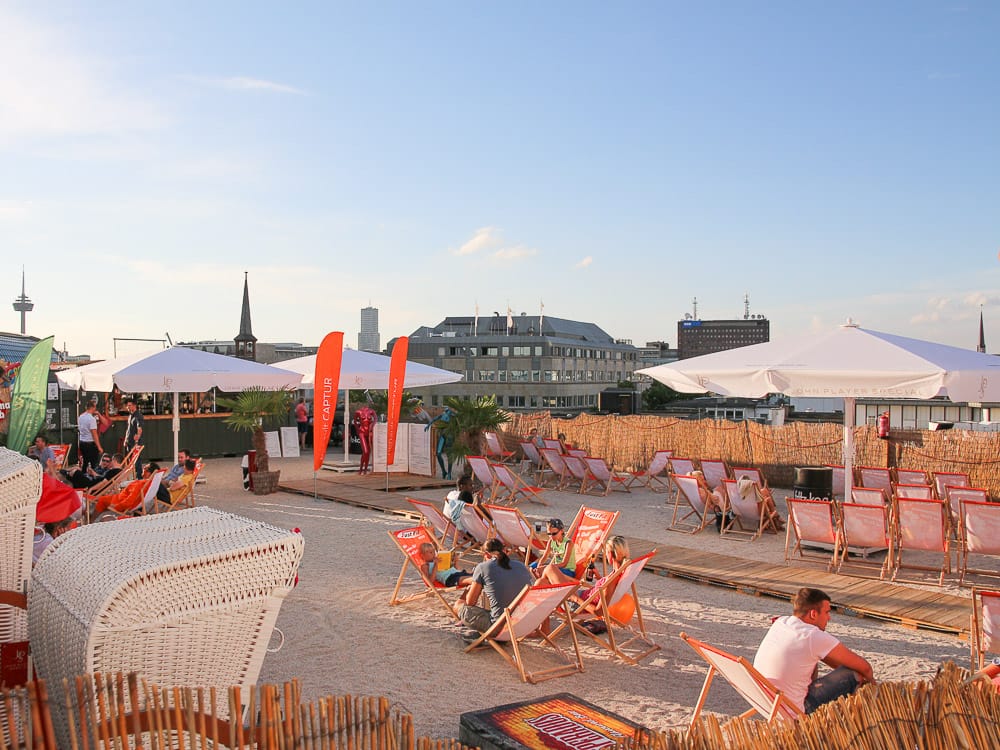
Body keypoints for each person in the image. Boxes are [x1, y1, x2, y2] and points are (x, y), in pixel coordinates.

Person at [753, 588, 874, 714]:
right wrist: (873, 685)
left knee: (812, 660)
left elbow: (831, 659)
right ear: (813, 614)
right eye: (826, 612)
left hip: (767, 703)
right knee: (854, 674)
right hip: (793, 711)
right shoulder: (812, 636)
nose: (829, 618)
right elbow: (865, 668)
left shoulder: (781, 622)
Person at [458, 538, 533, 634]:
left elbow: (470, 602)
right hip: (522, 623)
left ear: (486, 554)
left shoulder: (482, 567)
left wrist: (467, 591)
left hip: (500, 627)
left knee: (459, 606)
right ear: (505, 551)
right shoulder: (521, 566)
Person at [424, 406, 455, 479]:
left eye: (447, 410)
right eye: (446, 410)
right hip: (442, 435)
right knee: (438, 453)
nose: (446, 411)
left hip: (449, 436)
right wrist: (428, 425)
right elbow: (434, 419)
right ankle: (444, 471)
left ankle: (449, 474)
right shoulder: (443, 415)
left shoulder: (453, 416)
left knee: (449, 455)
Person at [77, 400, 103, 473]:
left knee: (85, 462)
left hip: (82, 442)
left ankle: (84, 476)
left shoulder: (81, 417)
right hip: (90, 443)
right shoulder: (91, 419)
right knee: (93, 463)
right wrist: (99, 447)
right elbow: (94, 434)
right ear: (93, 407)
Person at [352, 404, 377, 474]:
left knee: (367, 452)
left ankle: (364, 469)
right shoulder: (358, 412)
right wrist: (357, 429)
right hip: (362, 432)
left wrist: (372, 426)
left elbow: (375, 419)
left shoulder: (371, 411)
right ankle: (361, 468)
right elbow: (354, 421)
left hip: (368, 432)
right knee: (365, 451)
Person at [123, 398, 144, 475]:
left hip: (136, 442)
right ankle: (134, 475)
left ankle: (139, 476)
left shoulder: (138, 415)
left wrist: (138, 435)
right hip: (129, 441)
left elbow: (140, 427)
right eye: (127, 406)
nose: (127, 407)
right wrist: (125, 439)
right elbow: (128, 428)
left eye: (129, 405)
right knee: (131, 461)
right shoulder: (130, 415)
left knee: (136, 460)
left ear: (134, 406)